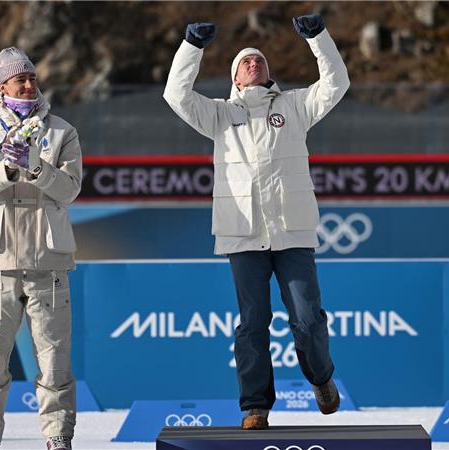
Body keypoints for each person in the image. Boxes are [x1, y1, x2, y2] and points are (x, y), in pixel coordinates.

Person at [163, 14, 349, 429]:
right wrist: (192, 47)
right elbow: (176, 94)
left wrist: (318, 38)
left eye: (259, 60)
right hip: (242, 234)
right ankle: (255, 407)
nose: (253, 63)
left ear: (269, 73)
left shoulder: (295, 106)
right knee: (252, 324)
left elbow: (337, 84)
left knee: (307, 317)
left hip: (292, 230)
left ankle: (321, 378)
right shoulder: (217, 115)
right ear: (235, 78)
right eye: (245, 62)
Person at [0, 47, 82, 450]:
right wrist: (6, 170)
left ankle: (58, 438)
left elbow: (70, 189)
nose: (29, 85)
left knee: (54, 360)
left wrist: (35, 167)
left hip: (48, 261)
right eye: (20, 80)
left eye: (32, 78)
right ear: (3, 86)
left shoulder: (63, 132)